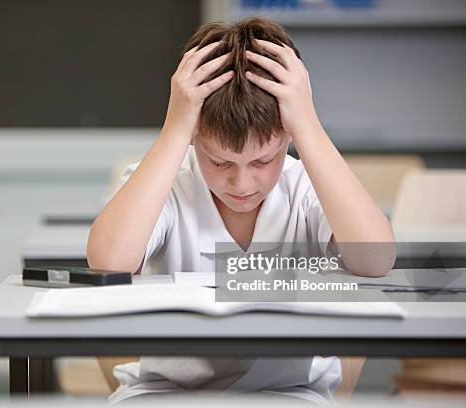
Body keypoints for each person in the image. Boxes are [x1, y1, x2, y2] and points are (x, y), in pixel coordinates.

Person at [87, 17, 395, 405]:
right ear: (195, 135)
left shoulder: (305, 185)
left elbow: (376, 259)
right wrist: (175, 129)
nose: (243, 184)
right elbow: (108, 261)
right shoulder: (169, 180)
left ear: (287, 135)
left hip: (289, 393)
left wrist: (309, 125)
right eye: (220, 163)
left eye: (264, 161)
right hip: (168, 393)